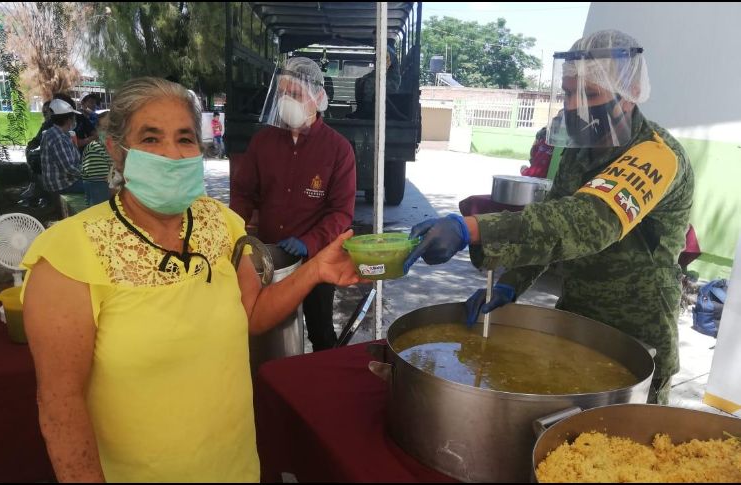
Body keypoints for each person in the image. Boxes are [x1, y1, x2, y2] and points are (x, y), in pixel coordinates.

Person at [21, 77, 363, 482]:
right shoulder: (67, 257)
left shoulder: (225, 227)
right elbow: (61, 405)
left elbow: (251, 313)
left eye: (184, 139)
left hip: (234, 466)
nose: (171, 153)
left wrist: (315, 270)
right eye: (150, 138)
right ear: (117, 151)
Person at [403, 30, 694, 405]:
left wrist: (472, 228)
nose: (575, 106)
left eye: (590, 95)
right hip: (575, 321)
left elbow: (584, 223)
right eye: (568, 93)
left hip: (639, 335)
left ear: (630, 93)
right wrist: (512, 282)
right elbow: (549, 223)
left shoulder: (657, 154)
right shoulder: (579, 152)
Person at [230, 57, 357, 351]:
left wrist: (309, 242)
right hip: (269, 258)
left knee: (320, 332)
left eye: (296, 94)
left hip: (316, 260)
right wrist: (233, 232)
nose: (287, 101)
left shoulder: (338, 149)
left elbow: (341, 213)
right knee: (268, 328)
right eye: (282, 94)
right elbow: (243, 193)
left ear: (318, 98)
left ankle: (324, 388)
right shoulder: (263, 143)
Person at [39, 98, 84, 195]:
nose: (74, 120)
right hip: (61, 185)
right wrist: (91, 174)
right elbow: (69, 168)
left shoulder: (58, 133)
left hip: (60, 182)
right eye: (73, 117)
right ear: (68, 120)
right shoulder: (59, 138)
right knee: (98, 186)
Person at [350, 43, 401, 119]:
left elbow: (383, 69)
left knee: (370, 83)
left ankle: (367, 111)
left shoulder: (387, 52)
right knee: (360, 81)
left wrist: (368, 79)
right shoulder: (380, 52)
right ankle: (360, 110)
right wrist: (364, 79)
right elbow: (376, 71)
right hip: (384, 79)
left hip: (391, 82)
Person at [81, 110, 112, 206]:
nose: (108, 132)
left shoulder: (118, 149)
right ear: (97, 130)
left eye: (112, 128)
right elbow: (100, 192)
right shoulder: (95, 151)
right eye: (104, 128)